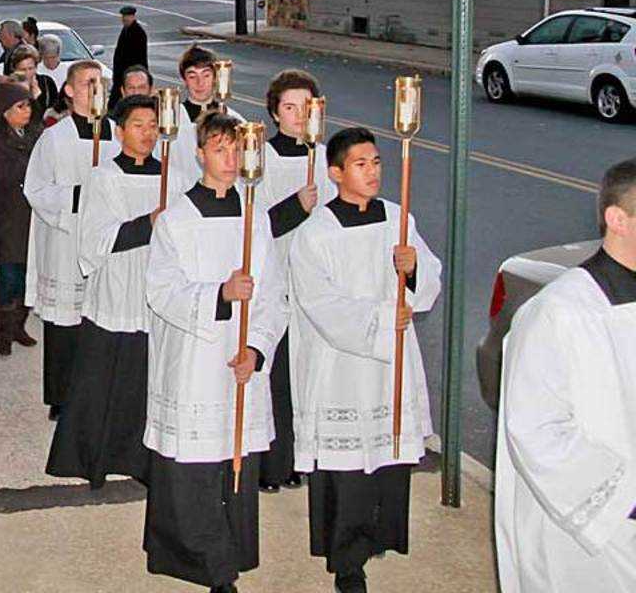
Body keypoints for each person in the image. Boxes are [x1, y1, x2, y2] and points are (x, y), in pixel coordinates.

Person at [288, 127, 442, 593]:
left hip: (391, 362)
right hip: (343, 368)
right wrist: (380, 317)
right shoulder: (315, 234)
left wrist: (413, 269)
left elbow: (430, 277)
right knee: (349, 468)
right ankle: (348, 563)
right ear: (335, 173)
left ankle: (380, 537)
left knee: (387, 457)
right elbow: (320, 304)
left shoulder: (398, 218)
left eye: (376, 162)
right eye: (360, 164)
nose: (372, 171)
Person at [143, 110, 287, 593]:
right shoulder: (177, 220)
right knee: (196, 470)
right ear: (200, 153)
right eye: (220, 149)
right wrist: (220, 295)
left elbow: (273, 296)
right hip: (194, 364)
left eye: (237, 150)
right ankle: (210, 566)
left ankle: (232, 553)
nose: (230, 158)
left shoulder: (255, 218)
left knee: (235, 466)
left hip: (241, 364)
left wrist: (257, 350)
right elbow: (161, 292)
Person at [495, 159, 636, 593]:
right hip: (595, 533)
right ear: (618, 220)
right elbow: (536, 430)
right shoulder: (558, 313)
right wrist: (626, 499)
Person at [47, 94, 181, 489]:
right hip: (116, 288)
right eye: (138, 125)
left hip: (157, 290)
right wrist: (148, 223)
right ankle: (95, 459)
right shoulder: (102, 177)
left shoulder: (171, 177)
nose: (147, 133)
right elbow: (93, 239)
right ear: (120, 132)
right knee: (103, 380)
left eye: (153, 125)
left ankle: (144, 460)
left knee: (148, 381)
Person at [255, 69, 337, 493]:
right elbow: (248, 228)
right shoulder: (261, 159)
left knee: (315, 374)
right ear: (275, 112)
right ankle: (275, 462)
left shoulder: (326, 161)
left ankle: (311, 458)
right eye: (290, 107)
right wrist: (294, 208)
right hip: (278, 279)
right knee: (280, 374)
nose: (298, 115)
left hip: (318, 284)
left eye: (307, 107)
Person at [24, 60, 120, 421]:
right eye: (88, 82)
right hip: (66, 243)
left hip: (108, 242)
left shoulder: (117, 132)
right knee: (66, 326)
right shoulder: (55, 137)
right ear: (69, 90)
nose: (96, 89)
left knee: (102, 323)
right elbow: (36, 189)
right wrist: (80, 197)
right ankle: (62, 397)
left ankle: (96, 393)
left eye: (101, 83)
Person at [0, 83, 42, 356]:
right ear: (5, 111)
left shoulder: (35, 134)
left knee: (27, 277)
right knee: (8, 277)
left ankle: (18, 325)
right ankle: (3, 330)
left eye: (28, 105)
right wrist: (30, 165)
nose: (27, 111)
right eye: (20, 106)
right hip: (4, 219)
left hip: (31, 218)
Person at [171, 45, 244, 191]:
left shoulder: (235, 120)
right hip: (179, 195)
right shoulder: (172, 120)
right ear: (184, 79)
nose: (200, 83)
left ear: (215, 78)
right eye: (192, 76)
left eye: (206, 75)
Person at [108, 5, 148, 110]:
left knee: (126, 102)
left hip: (130, 74)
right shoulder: (125, 30)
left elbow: (139, 57)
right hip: (121, 75)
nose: (125, 19)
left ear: (133, 17)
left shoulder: (138, 33)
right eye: (123, 17)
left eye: (127, 17)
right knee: (116, 102)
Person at [10, 44, 58, 122]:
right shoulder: (9, 88)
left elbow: (55, 110)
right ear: (15, 69)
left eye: (30, 68)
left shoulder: (47, 82)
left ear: (36, 67)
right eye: (23, 69)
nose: (27, 73)